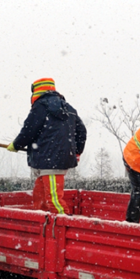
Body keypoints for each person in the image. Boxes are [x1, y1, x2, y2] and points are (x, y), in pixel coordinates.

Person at [7, 78, 86, 214]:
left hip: (49, 160)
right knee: (40, 198)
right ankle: (44, 227)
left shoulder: (41, 107)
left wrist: (16, 144)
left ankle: (64, 227)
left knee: (53, 200)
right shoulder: (69, 108)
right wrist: (76, 151)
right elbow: (82, 131)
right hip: (55, 160)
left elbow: (29, 130)